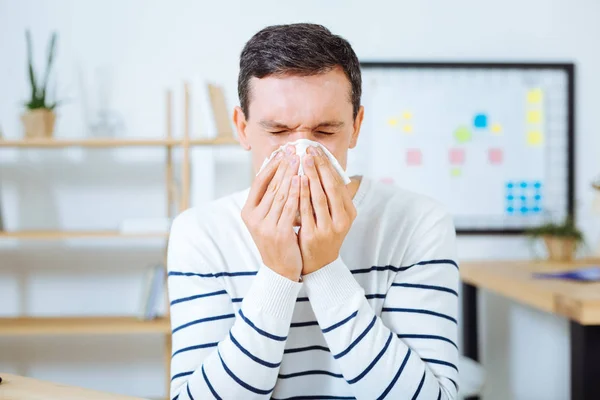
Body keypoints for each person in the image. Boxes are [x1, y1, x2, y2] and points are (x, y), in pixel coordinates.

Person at [167, 23, 459, 400]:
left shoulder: (417, 224)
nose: (302, 155)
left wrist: (324, 269)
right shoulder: (202, 233)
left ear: (355, 126)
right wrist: (277, 274)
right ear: (242, 128)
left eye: (324, 132)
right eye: (277, 131)